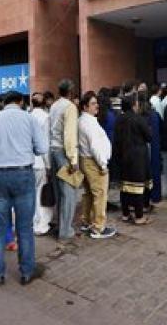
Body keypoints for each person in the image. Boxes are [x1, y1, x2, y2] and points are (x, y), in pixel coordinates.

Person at [0, 91, 48, 286]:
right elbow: (41, 149)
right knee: (25, 226)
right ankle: (27, 271)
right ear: (21, 102)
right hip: (23, 174)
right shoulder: (29, 119)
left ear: (3, 103)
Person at [78, 91, 116, 238]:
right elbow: (95, 146)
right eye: (93, 103)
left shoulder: (84, 120)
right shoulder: (88, 123)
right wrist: (103, 165)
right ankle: (98, 227)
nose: (97, 106)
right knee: (100, 194)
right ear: (85, 107)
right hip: (93, 162)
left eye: (96, 103)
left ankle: (86, 221)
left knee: (89, 193)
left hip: (86, 160)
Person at [114, 95, 153, 225]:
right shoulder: (139, 119)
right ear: (133, 105)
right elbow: (149, 137)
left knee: (124, 186)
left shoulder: (119, 119)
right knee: (137, 187)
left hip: (123, 156)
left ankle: (125, 214)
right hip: (138, 157)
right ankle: (139, 216)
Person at [49, 79, 80, 243]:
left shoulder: (54, 106)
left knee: (59, 192)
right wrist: (73, 159)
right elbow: (69, 135)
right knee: (68, 193)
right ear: (71, 91)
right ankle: (65, 231)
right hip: (64, 153)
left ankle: (61, 226)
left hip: (53, 151)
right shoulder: (70, 107)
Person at [30, 92, 53, 236]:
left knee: (31, 194)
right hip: (39, 162)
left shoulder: (27, 116)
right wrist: (49, 165)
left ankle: (32, 221)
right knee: (41, 192)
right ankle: (42, 224)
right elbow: (45, 143)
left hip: (27, 161)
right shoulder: (45, 117)